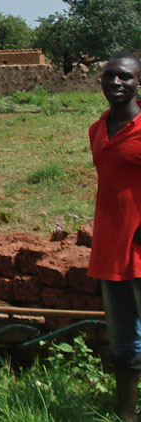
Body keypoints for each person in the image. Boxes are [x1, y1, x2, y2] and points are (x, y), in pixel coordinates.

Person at [87, 52, 141, 422]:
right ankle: (127, 413)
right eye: (110, 76)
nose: (116, 83)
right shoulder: (97, 129)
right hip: (110, 247)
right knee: (122, 340)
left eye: (125, 77)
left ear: (139, 83)